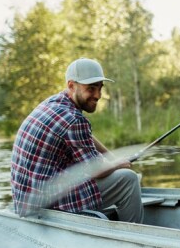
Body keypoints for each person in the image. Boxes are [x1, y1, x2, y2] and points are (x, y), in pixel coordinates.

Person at [10, 58, 144, 223]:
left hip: (27, 198)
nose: (98, 95)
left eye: (100, 88)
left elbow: (87, 138)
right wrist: (119, 164)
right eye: (91, 88)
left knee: (114, 173)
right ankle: (133, 240)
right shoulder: (73, 119)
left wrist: (111, 157)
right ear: (72, 85)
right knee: (129, 180)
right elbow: (97, 171)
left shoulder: (54, 103)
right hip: (44, 204)